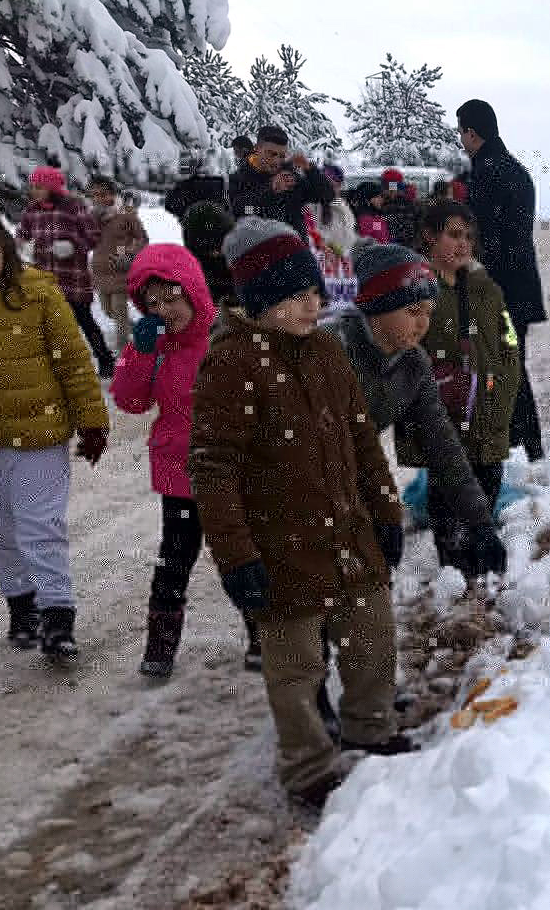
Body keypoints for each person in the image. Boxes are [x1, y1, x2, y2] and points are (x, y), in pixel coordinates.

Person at [190, 217, 416, 810]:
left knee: (372, 637)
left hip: (348, 532)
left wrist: (387, 511)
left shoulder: (326, 351)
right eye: (298, 296)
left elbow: (364, 440)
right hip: (281, 547)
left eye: (316, 292)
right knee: (295, 667)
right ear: (261, 300)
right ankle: (309, 765)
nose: (314, 304)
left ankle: (372, 727)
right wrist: (237, 557)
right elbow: (212, 470)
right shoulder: (232, 363)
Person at [320, 242, 507, 576]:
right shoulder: (333, 355)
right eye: (412, 312)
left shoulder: (412, 365)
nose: (423, 324)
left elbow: (442, 446)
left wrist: (480, 523)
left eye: (428, 313)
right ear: (377, 307)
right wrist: (378, 512)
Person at [108, 244, 239, 676]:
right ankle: (159, 649)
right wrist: (140, 354)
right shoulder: (156, 346)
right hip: (179, 471)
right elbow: (129, 401)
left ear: (194, 292)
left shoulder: (224, 339)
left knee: (241, 557)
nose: (164, 310)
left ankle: (263, 635)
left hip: (228, 470)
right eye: (153, 303)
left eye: (172, 298)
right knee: (174, 561)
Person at [0, 216, 109, 658]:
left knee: (40, 527)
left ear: (5, 253)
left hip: (39, 433)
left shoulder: (37, 291)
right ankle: (23, 608)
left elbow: (73, 358)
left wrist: (91, 419)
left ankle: (58, 615)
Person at [409, 202, 521, 532]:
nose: (463, 245)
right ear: (429, 236)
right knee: (447, 511)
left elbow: (509, 345)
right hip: (444, 424)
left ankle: (481, 570)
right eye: (454, 235)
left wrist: (502, 397)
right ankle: (453, 572)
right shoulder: (417, 292)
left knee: (485, 502)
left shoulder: (487, 289)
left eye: (469, 237)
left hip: (488, 418)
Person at [456, 99, 546, 463]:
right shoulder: (517, 170)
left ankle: (526, 447)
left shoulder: (486, 172)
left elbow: (483, 239)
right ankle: (524, 445)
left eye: (462, 132)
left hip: (498, 288)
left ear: (472, 133)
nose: (461, 140)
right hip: (520, 285)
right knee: (510, 364)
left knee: (502, 367)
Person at [15, 166, 115, 378]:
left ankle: (106, 360)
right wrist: (23, 247)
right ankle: (59, 366)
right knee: (50, 325)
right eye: (32, 186)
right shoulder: (31, 210)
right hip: (45, 279)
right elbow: (21, 235)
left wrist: (73, 246)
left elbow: (94, 237)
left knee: (85, 321)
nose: (34, 190)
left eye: (39, 186)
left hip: (73, 278)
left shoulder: (74, 207)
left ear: (52, 187)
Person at [227, 125, 335, 236]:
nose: (276, 161)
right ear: (257, 149)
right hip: (259, 249)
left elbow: (326, 196)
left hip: (295, 248)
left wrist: (311, 170)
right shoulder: (238, 178)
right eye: (271, 154)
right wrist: (271, 190)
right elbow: (242, 210)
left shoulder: (290, 177)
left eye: (282, 156)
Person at [87, 175, 150, 350]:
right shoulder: (92, 218)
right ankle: (139, 330)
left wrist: (127, 253)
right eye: (95, 195)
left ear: (113, 194)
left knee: (120, 313)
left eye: (103, 194)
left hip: (121, 269)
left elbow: (142, 239)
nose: (99, 198)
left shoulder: (126, 215)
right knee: (108, 311)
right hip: (101, 271)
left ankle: (124, 352)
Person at [305, 164, 359, 322]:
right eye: (326, 185)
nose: (330, 190)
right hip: (318, 273)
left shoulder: (342, 208)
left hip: (339, 274)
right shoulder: (309, 208)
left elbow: (348, 239)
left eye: (335, 185)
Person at [180, 200, 237, 316]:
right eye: (210, 250)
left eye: (219, 247)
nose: (216, 253)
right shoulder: (190, 266)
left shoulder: (244, 252)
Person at [163, 154, 228, 222]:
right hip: (215, 224)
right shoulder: (220, 183)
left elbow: (170, 212)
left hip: (188, 225)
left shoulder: (179, 187)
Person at [378, 169, 420, 247]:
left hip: (402, 247)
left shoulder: (405, 204)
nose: (382, 190)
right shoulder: (384, 202)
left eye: (384, 187)